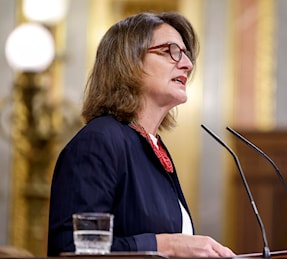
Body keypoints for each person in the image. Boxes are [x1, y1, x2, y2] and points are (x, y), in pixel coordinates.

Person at [47, 12, 235, 258]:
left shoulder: (151, 146)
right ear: (129, 61)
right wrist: (165, 246)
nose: (187, 64)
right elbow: (72, 249)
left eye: (186, 54)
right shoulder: (99, 141)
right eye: (170, 51)